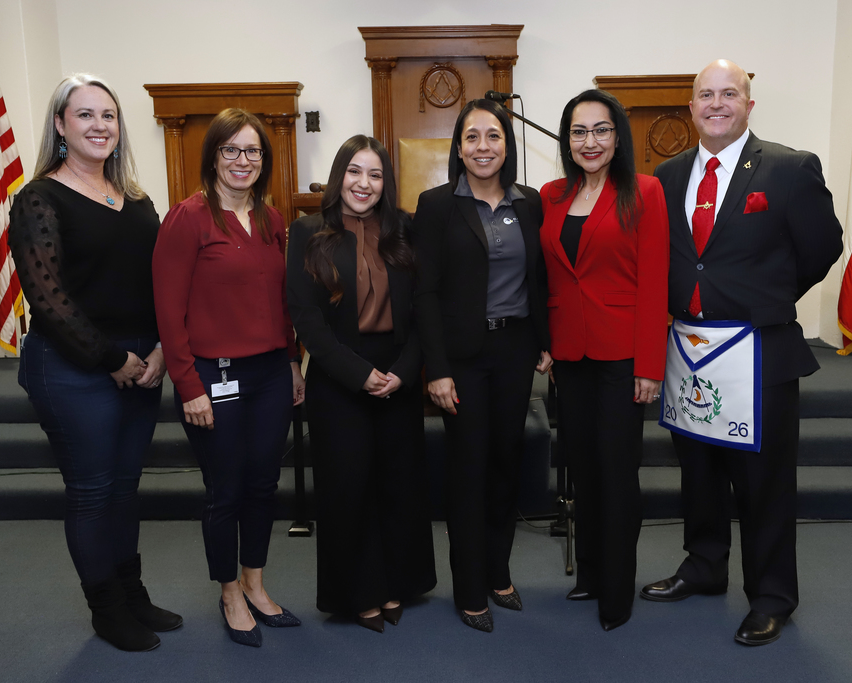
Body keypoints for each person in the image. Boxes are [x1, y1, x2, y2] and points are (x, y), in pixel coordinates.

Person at [640, 59, 843, 646]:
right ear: (691, 107)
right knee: (698, 473)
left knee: (764, 483)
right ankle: (704, 567)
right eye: (706, 94)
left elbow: (821, 249)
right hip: (690, 352)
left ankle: (772, 595)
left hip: (758, 351)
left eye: (730, 93)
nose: (717, 103)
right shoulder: (669, 175)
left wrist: (767, 297)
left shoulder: (788, 168)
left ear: (749, 104)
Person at [9, 73, 181, 652]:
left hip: (141, 362)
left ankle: (132, 593)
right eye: (85, 115)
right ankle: (106, 609)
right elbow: (48, 295)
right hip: (72, 367)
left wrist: (158, 347)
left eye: (107, 115)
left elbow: (158, 280)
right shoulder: (38, 198)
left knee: (125, 488)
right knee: (92, 490)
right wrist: (113, 359)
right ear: (60, 125)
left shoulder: (136, 199)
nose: (99, 126)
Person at [152, 109, 305, 648]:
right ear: (213, 156)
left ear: (264, 160)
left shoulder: (272, 220)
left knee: (264, 484)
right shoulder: (186, 219)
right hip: (213, 377)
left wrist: (290, 361)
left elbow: (281, 303)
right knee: (226, 489)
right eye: (232, 150)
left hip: (268, 372)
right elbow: (169, 314)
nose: (244, 161)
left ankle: (256, 583)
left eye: (253, 151)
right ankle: (228, 592)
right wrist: (188, 386)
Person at [286, 135, 436, 633]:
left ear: (385, 183)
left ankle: (397, 584)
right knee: (349, 490)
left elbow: (423, 312)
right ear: (338, 176)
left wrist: (405, 371)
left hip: (398, 375)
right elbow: (307, 321)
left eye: (374, 175)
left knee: (399, 487)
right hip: (338, 377)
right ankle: (361, 594)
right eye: (354, 172)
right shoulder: (307, 232)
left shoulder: (406, 231)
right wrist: (357, 373)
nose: (363, 184)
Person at [413, 99, 552, 633]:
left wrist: (543, 339)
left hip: (514, 353)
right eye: (471, 138)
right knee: (468, 471)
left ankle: (498, 572)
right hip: (462, 361)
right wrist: (437, 368)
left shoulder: (531, 203)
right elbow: (424, 294)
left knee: (505, 465)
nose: (483, 147)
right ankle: (469, 586)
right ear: (459, 147)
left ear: (507, 144)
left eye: (492, 136)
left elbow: (538, 280)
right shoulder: (437, 205)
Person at [539, 89, 668, 631]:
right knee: (583, 472)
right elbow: (543, 276)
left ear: (618, 136)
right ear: (566, 140)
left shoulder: (644, 191)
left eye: (600, 130)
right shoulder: (550, 194)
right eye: (578, 131)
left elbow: (654, 282)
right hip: (569, 355)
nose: (589, 141)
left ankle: (616, 589)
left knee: (617, 476)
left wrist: (649, 365)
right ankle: (589, 573)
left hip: (621, 357)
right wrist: (542, 339)